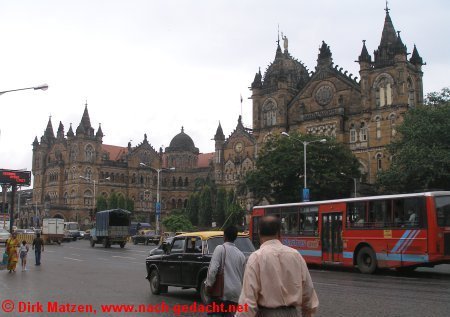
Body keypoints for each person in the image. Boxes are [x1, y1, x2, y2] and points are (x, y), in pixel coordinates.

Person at [237, 216, 319, 317]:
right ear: (279, 233)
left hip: (266, 313)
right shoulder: (295, 255)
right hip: (292, 313)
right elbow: (309, 294)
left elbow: (247, 301)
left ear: (259, 233)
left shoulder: (256, 258)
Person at [205, 226, 246, 316]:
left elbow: (213, 270)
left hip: (221, 293)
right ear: (235, 237)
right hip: (235, 294)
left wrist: (208, 285)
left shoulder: (220, 248)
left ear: (225, 236)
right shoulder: (241, 255)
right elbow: (243, 277)